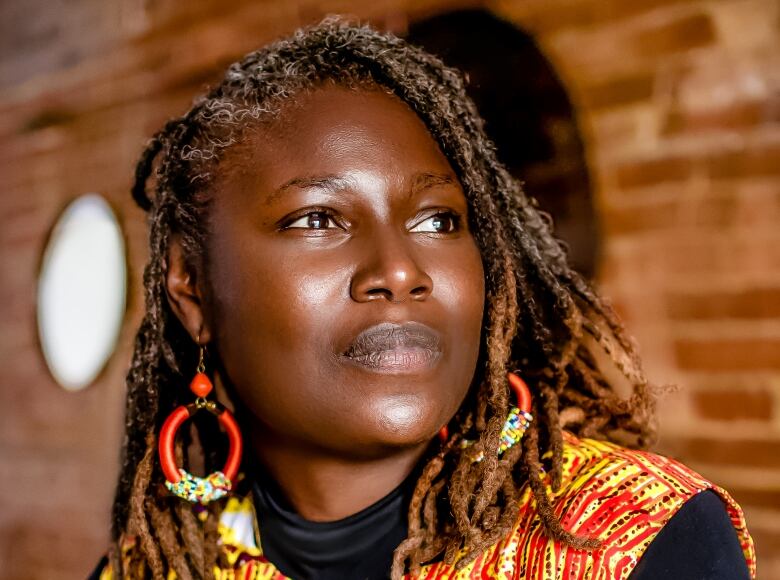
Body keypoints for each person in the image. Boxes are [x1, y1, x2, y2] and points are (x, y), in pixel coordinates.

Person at [91, 17, 755, 580]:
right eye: (318, 219)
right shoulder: (154, 563)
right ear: (191, 288)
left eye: (438, 221)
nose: (400, 270)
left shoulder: (635, 539)